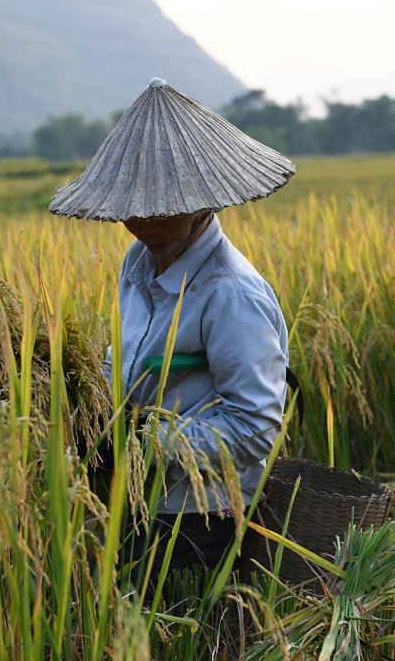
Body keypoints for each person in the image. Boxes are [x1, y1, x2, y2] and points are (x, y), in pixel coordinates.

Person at [49, 78, 296, 578]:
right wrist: (86, 399)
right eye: (134, 216)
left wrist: (141, 442)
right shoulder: (138, 263)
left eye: (164, 214)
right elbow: (125, 360)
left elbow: (256, 428)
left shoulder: (229, 295)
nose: (148, 228)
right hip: (136, 497)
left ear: (206, 201)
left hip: (200, 514)